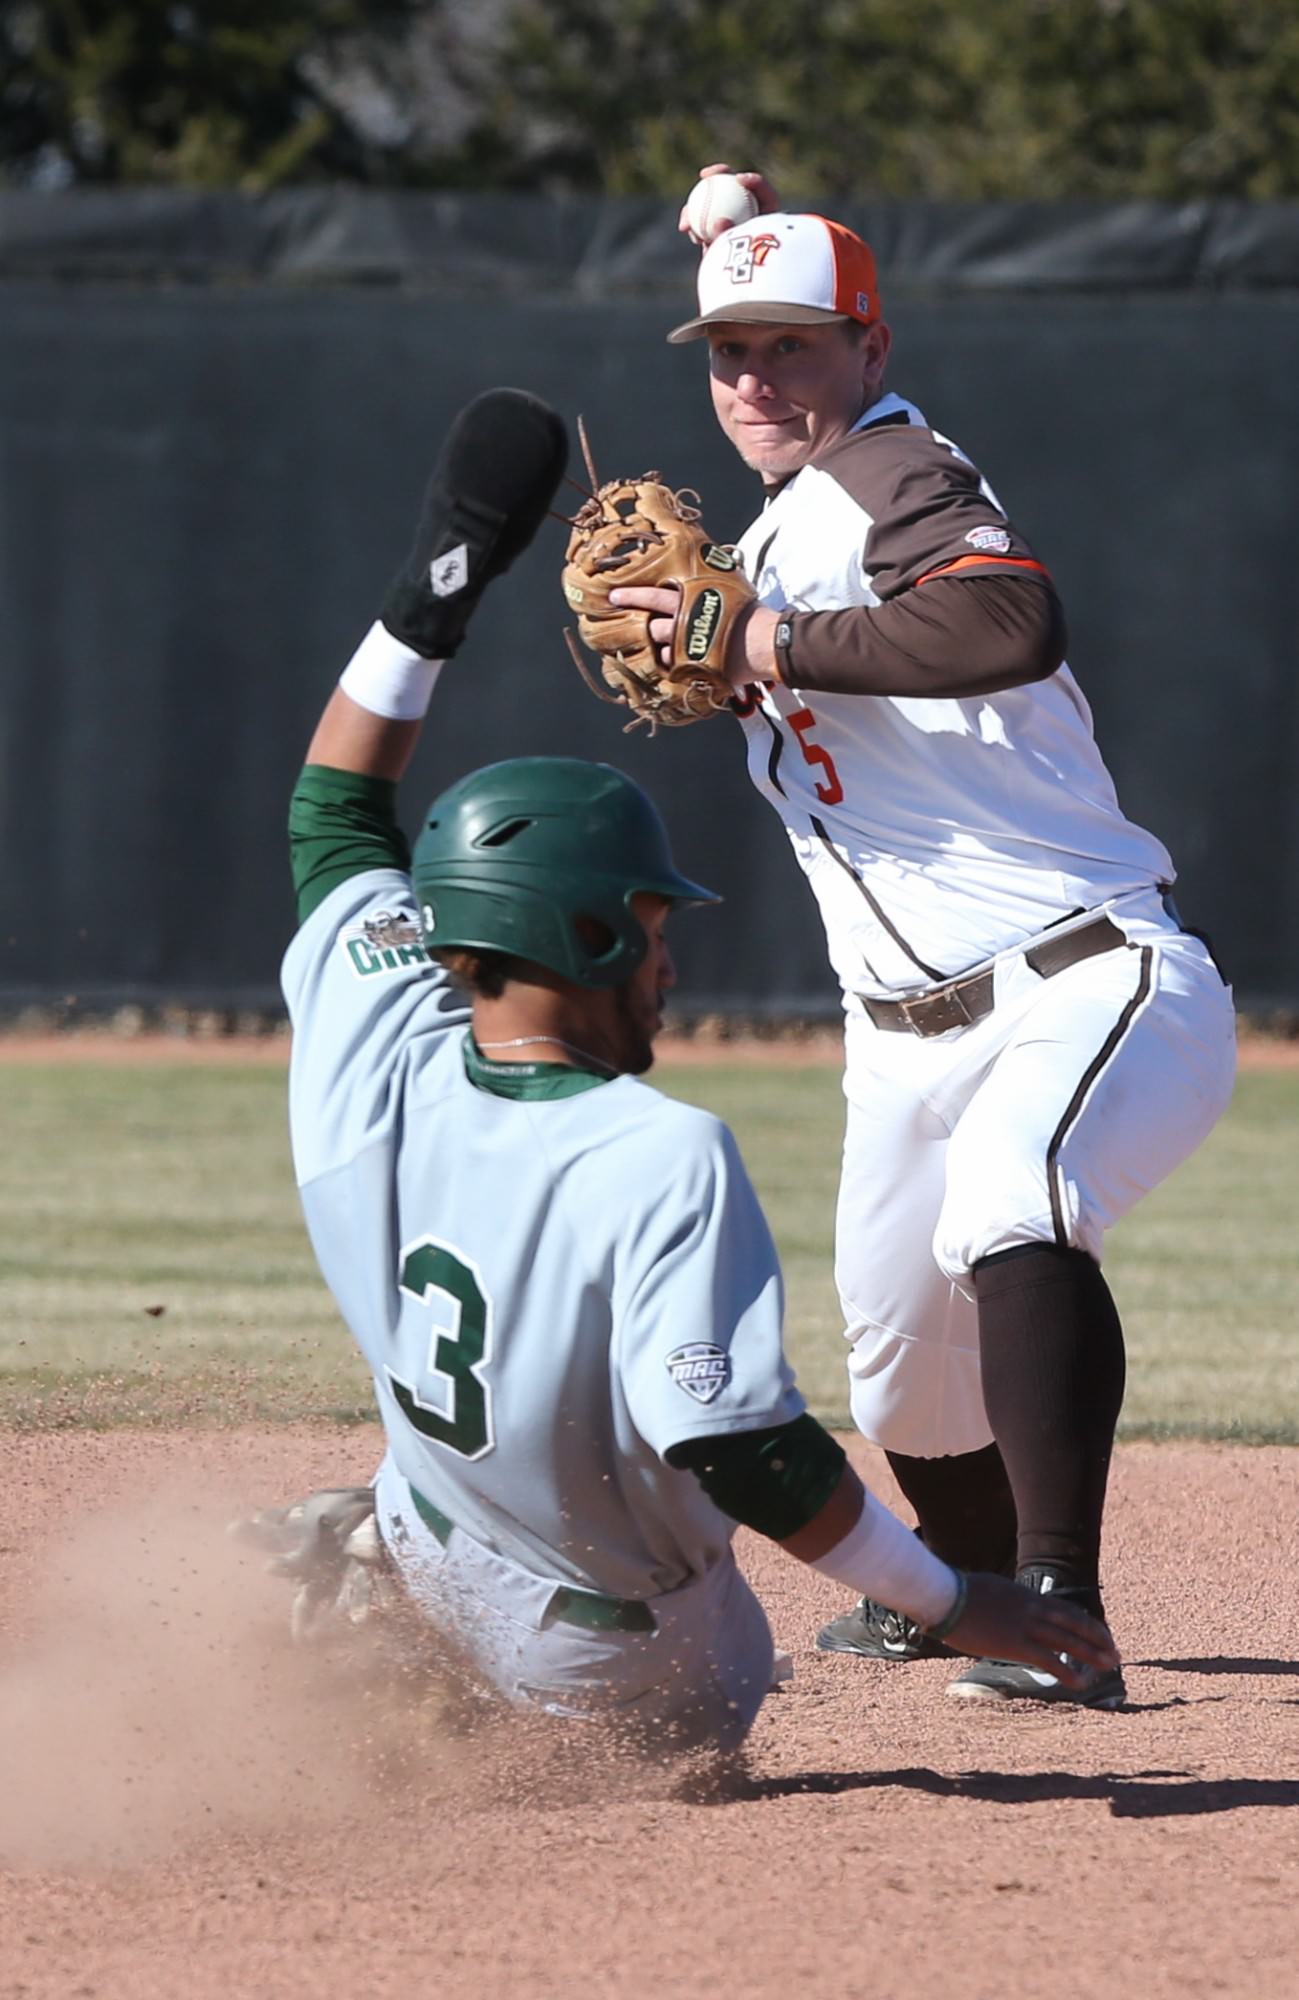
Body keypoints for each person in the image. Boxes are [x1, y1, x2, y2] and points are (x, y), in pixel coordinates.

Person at [246, 387, 1116, 1757]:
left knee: (430, 1483)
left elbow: (337, 811)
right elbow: (743, 1448)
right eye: (650, 927)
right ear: (589, 940)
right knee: (676, 1581)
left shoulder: (373, 1049)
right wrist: (957, 1601)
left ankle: (384, 1596)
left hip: (446, 1562)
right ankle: (543, 1726)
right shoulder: (658, 1153)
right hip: (622, 1669)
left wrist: (436, 586)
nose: (668, 958)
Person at [605, 169, 1237, 1706]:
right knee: (899, 1378)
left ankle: (1065, 1617)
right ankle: (971, 1599)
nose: (755, 379)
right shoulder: (795, 517)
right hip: (895, 1036)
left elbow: (1010, 622)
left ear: (873, 352)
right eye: (729, 353)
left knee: (1017, 1202)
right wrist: (739, 229)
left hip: (1085, 975)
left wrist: (762, 638)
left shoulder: (896, 473)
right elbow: (786, 379)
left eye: (795, 347)